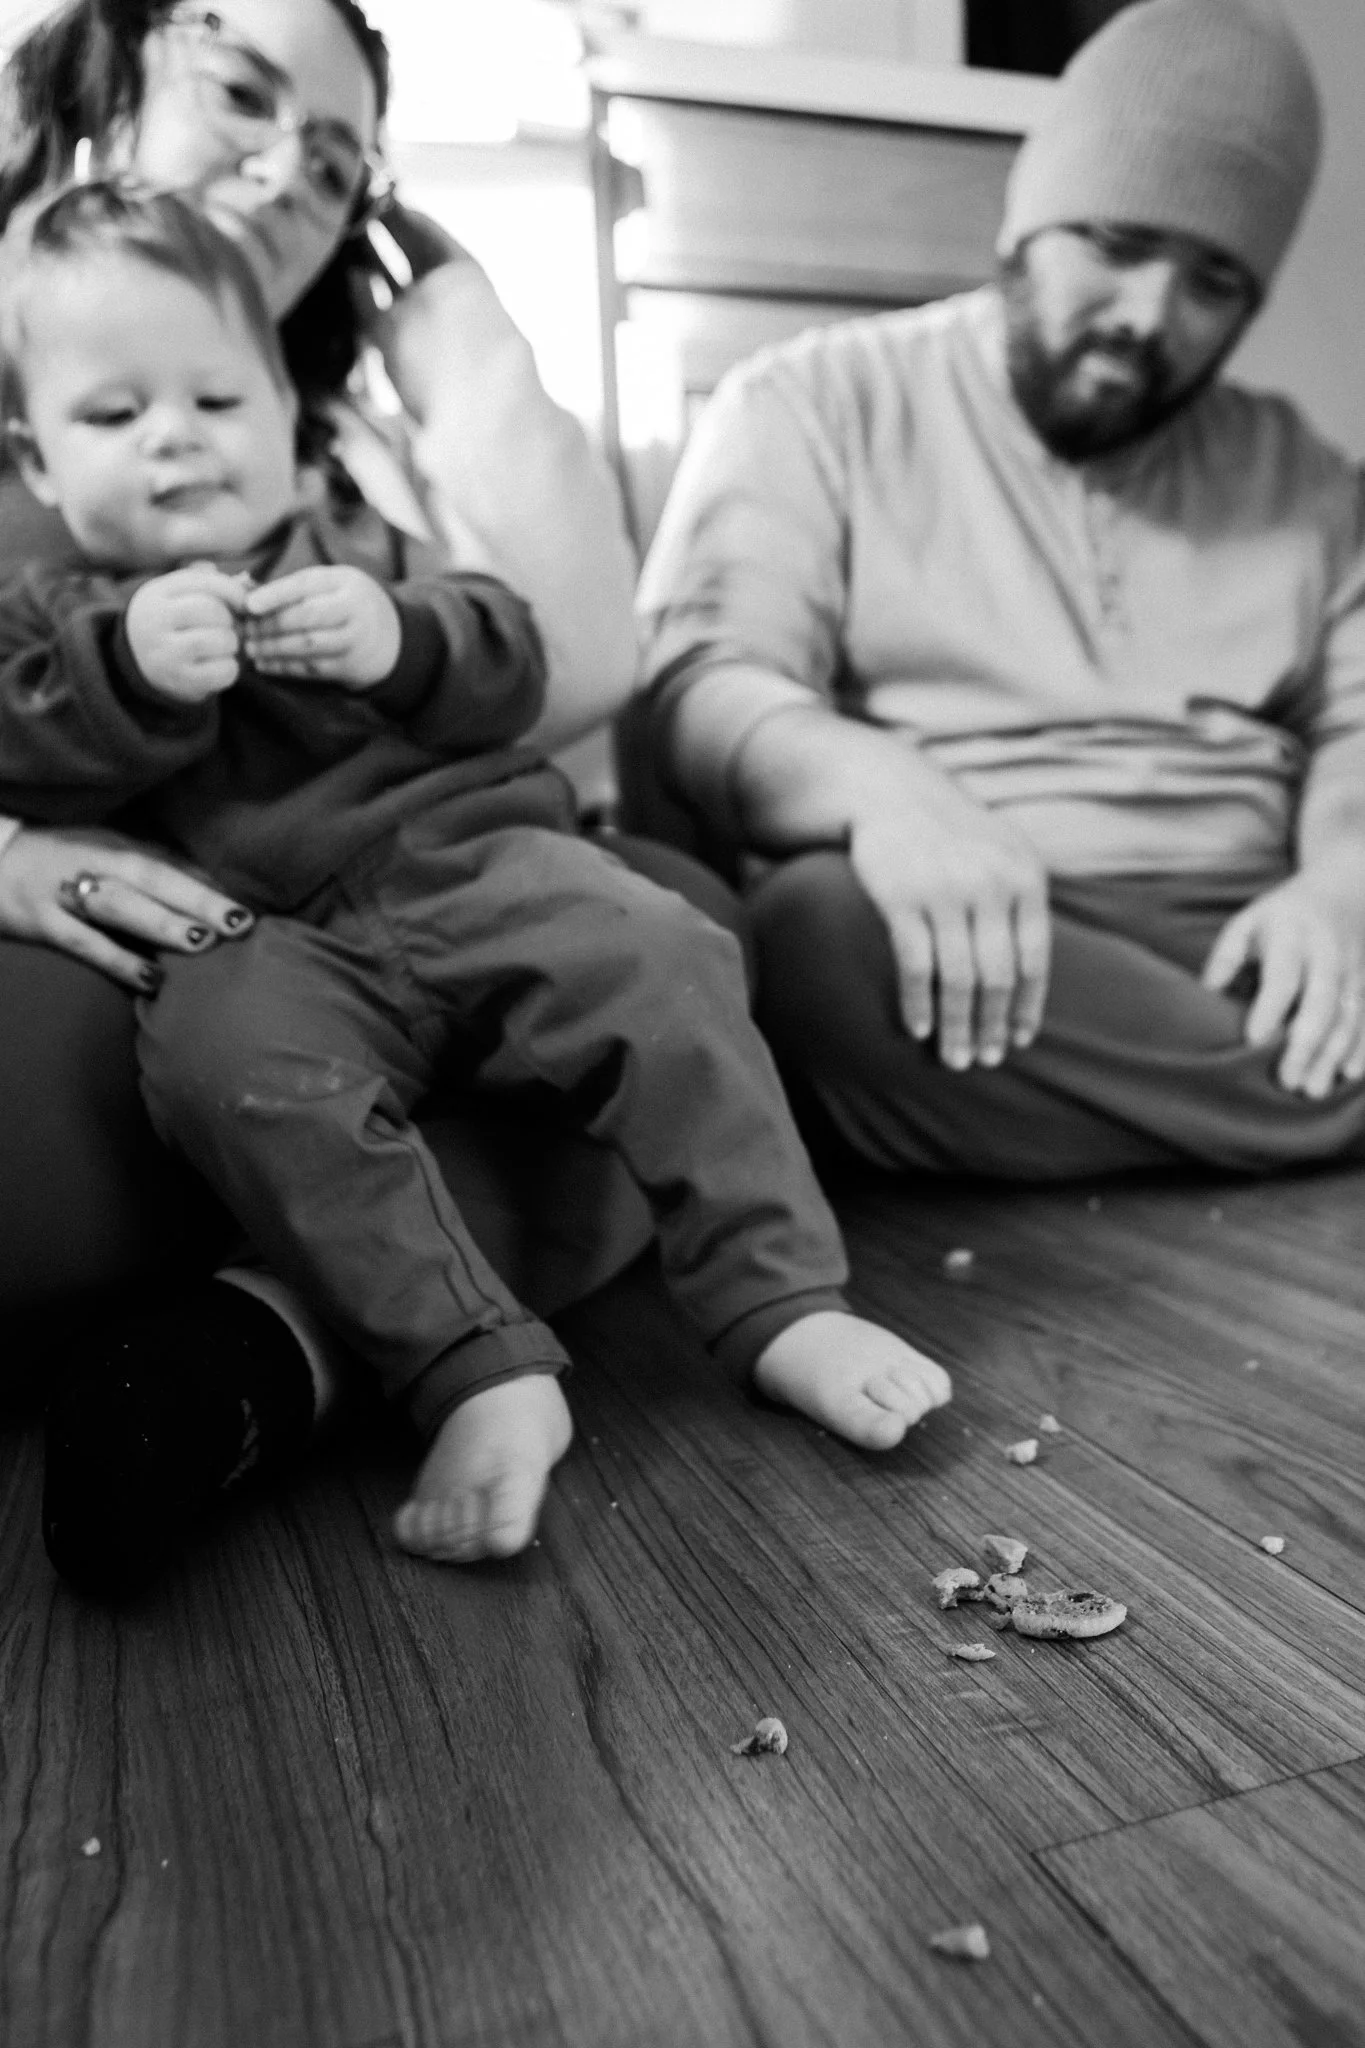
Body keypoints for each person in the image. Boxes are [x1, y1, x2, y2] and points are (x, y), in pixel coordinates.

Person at [0, 179, 953, 1591]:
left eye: (215, 402)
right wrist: (123, 671)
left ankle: (777, 1301)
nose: (175, 441)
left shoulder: (358, 547)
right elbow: (24, 742)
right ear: (34, 461)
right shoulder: (49, 613)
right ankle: (473, 1372)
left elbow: (509, 654)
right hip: (269, 937)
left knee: (666, 951)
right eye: (113, 415)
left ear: (287, 413)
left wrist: (399, 638)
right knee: (215, 1057)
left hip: (481, 868)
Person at [0, 0, 702, 1562]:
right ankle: (313, 1318)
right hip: (124, 970)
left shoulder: (344, 456)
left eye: (335, 168)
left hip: (358, 951)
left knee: (680, 924)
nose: (278, 176)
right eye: (239, 95)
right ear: (98, 86)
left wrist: (480, 353)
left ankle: (273, 1342)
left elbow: (578, 668)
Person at [635, 0, 1365, 1183]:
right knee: (816, 944)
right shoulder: (808, 403)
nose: (1148, 317)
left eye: (1214, 282)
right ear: (1025, 223)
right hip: (978, 940)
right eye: (1118, 244)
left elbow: (1359, 728)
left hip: (1252, 928)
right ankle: (1308, 1098)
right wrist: (886, 792)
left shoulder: (1314, 480)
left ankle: (1236, 1092)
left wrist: (1343, 890)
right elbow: (703, 686)